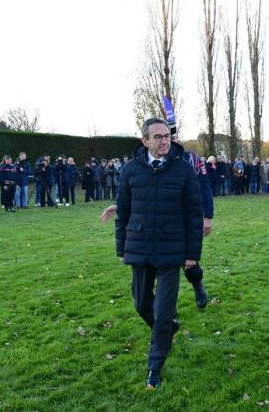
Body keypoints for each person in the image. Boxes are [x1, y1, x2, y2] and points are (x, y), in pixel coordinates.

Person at [115, 117, 203, 390]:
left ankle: (155, 366)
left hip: (171, 250)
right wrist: (121, 247)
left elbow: (193, 213)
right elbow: (123, 211)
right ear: (144, 141)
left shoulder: (183, 171)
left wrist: (192, 253)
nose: (165, 141)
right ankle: (168, 329)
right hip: (140, 247)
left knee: (163, 312)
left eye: (167, 136)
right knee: (142, 304)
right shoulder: (130, 170)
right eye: (158, 137)